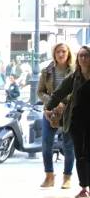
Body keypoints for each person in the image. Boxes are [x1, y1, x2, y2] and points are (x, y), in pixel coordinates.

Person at [46, 45, 90, 198]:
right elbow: (60, 92)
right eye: (81, 56)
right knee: (80, 155)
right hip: (77, 122)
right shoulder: (75, 76)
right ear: (77, 58)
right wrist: (49, 107)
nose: (84, 58)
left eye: (87, 55)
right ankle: (84, 187)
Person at [37, 43, 75, 189]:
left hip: (68, 112)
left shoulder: (74, 71)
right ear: (54, 54)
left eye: (64, 51)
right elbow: (40, 92)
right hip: (50, 113)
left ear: (68, 53)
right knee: (46, 144)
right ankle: (49, 176)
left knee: (68, 146)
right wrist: (51, 103)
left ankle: (67, 177)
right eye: (58, 51)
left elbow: (76, 91)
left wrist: (63, 103)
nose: (61, 54)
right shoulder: (46, 71)